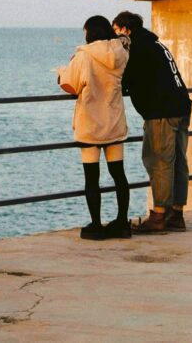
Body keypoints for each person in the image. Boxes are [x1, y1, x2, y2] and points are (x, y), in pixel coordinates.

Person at [112, 11, 192, 234]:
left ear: (126, 30)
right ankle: (176, 214)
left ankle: (158, 215)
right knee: (178, 162)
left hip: (161, 110)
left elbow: (126, 77)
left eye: (116, 31)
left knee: (157, 160)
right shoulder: (156, 44)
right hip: (181, 106)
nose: (114, 37)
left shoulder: (136, 47)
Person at [56, 15, 131, 240]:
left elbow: (71, 85)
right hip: (114, 121)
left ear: (90, 33)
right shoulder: (121, 52)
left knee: (92, 177)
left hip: (90, 124)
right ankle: (121, 223)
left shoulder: (84, 56)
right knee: (119, 175)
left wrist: (61, 74)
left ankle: (96, 226)